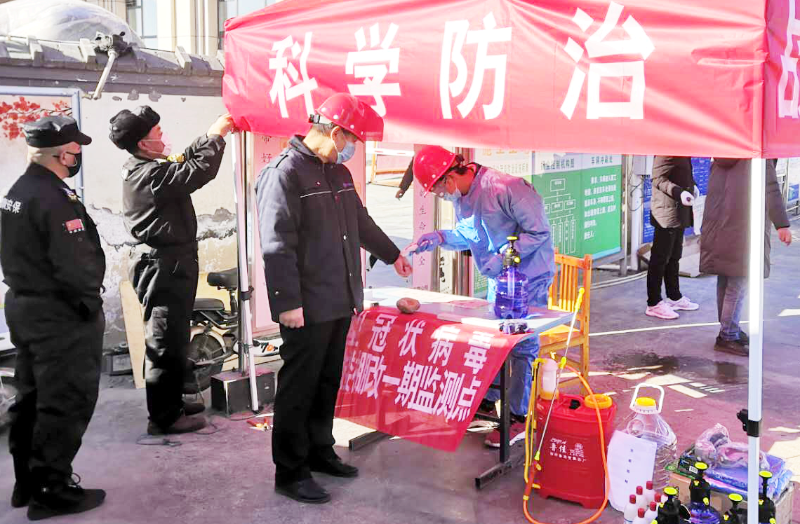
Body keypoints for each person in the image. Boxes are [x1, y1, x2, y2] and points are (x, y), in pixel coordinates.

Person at [255, 93, 412, 505]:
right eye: (352, 139)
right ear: (335, 131)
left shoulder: (338, 173)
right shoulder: (284, 174)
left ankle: (320, 451)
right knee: (299, 387)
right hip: (306, 305)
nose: (352, 147)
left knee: (327, 382)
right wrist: (286, 303)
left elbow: (360, 222)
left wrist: (392, 254)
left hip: (341, 298)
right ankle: (291, 472)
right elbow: (277, 244)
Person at [408, 145, 555, 448]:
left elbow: (539, 232)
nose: (441, 196)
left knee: (521, 346)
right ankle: (488, 402)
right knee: (493, 341)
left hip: (528, 277)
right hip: (499, 279)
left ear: (449, 178)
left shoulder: (507, 188)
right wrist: (440, 237)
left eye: (438, 190)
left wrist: (505, 257)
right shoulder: (463, 197)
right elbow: (470, 234)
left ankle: (517, 416)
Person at [1, 115, 107, 520]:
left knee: (31, 397)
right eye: (75, 149)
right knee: (64, 400)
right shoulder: (53, 198)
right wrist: (89, 307)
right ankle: (51, 490)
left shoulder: (18, 190)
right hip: (59, 315)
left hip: (26, 307)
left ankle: (27, 482)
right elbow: (76, 265)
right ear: (63, 154)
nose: (77, 156)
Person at [109, 106, 235, 435]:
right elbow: (196, 171)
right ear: (143, 143)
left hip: (171, 264)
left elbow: (183, 160)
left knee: (176, 336)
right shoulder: (149, 175)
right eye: (157, 134)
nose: (163, 137)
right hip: (162, 267)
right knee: (163, 342)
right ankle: (164, 417)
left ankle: (174, 400)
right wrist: (217, 137)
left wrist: (208, 136)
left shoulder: (147, 166)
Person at [700, 159, 792, 356]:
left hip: (719, 226)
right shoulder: (757, 154)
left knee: (725, 277)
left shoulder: (722, 152)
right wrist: (782, 225)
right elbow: (770, 188)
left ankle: (728, 327)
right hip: (744, 227)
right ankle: (727, 335)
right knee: (739, 281)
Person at [645, 156, 700, 320]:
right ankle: (654, 303)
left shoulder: (681, 147)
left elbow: (682, 173)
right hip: (666, 213)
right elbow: (658, 178)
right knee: (660, 258)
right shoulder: (666, 150)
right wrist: (679, 192)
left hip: (679, 212)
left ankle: (674, 296)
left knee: (674, 256)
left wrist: (693, 186)